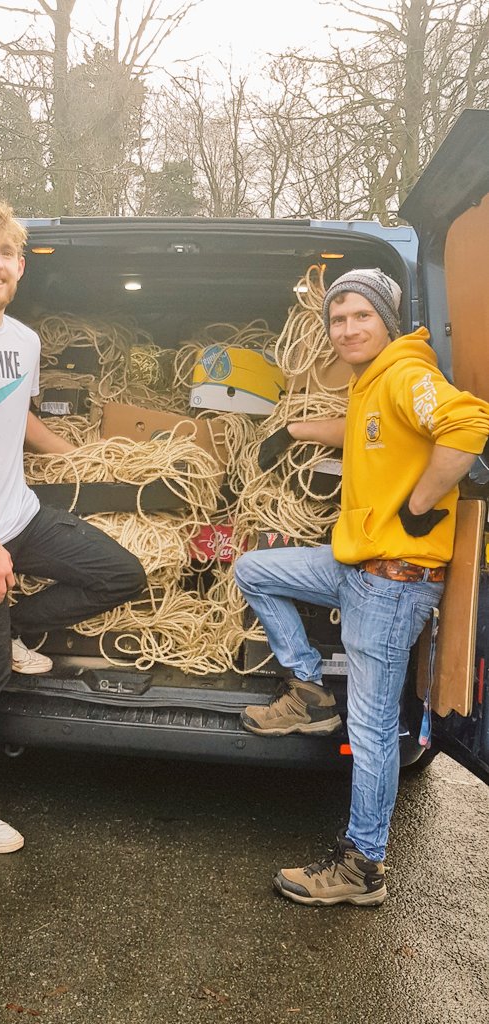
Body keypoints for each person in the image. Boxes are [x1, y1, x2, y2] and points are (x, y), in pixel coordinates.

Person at [234, 268, 489, 907]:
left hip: (393, 582)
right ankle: (308, 690)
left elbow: (468, 425)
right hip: (358, 566)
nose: (348, 328)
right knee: (254, 569)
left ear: (386, 321)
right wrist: (287, 433)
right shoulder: (373, 383)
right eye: (338, 318)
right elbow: (354, 426)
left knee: (373, 729)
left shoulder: (406, 373)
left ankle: (363, 867)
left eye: (360, 316)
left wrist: (422, 504)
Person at [0, 199, 146, 855]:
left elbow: (16, 417)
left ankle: (17, 626)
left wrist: (84, 459)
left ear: (20, 266)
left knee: (118, 572)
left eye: (6, 253)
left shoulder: (24, 340)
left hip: (20, 515)